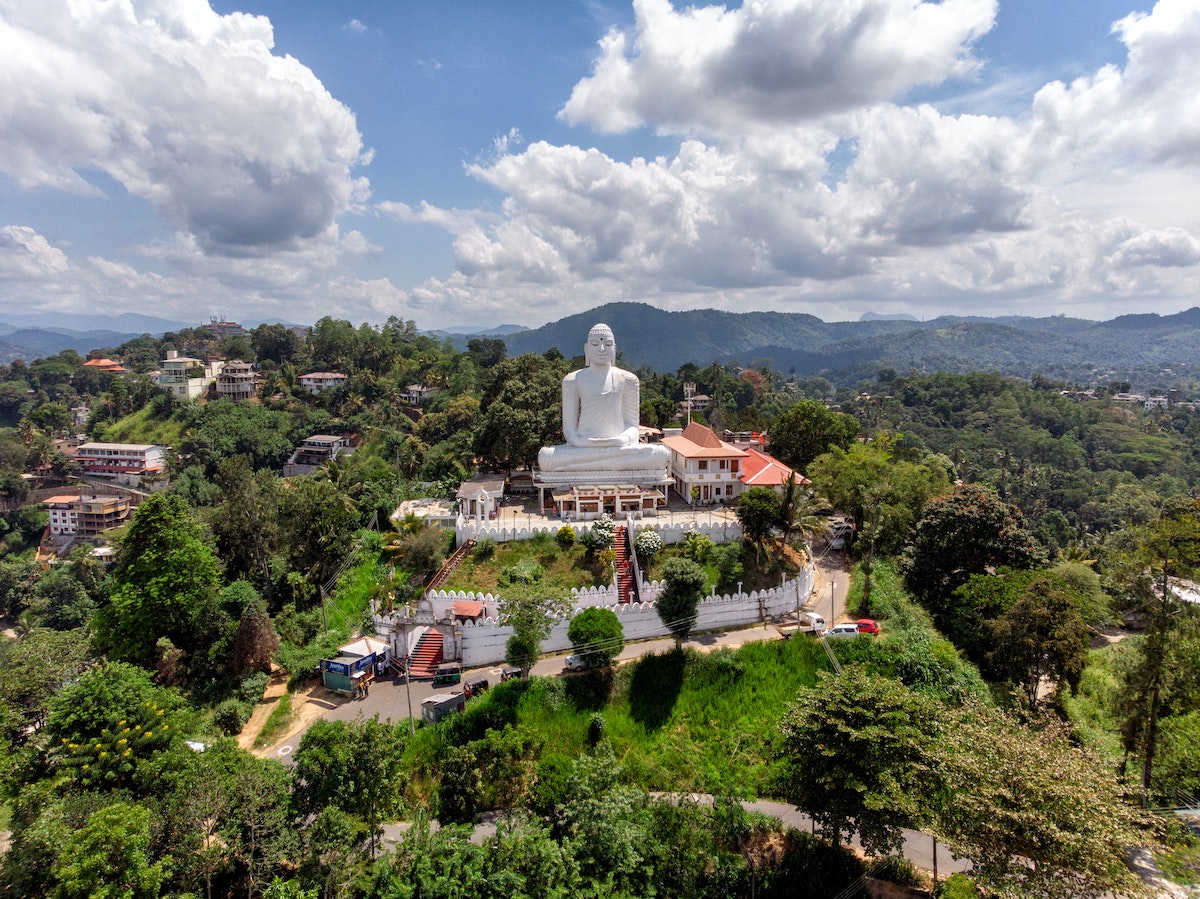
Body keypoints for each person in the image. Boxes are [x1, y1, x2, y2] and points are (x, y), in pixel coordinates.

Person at [537, 323, 670, 473]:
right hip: (583, 448)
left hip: (618, 447)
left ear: (614, 349)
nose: (601, 349)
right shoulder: (572, 380)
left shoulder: (628, 379)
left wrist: (622, 440)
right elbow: (569, 430)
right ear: (586, 349)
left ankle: (593, 464)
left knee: (659, 454)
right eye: (595, 344)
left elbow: (632, 426)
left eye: (607, 344)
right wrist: (583, 442)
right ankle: (605, 462)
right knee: (547, 457)